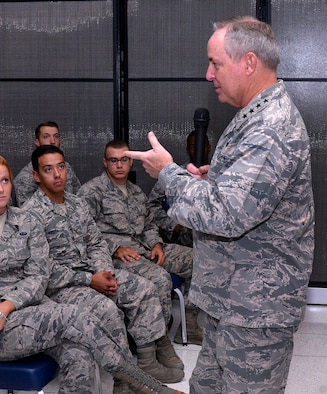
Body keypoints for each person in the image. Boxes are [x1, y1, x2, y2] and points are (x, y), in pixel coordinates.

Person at [125, 16, 314, 394]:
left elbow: (226, 214)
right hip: (230, 301)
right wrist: (216, 179)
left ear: (248, 62)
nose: (208, 74)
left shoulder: (269, 128)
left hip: (254, 311)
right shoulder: (254, 114)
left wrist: (169, 173)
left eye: (215, 63)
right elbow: (241, 197)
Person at [0, 152, 184, 394]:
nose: (0, 189)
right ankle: (143, 384)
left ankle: (135, 383)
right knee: (77, 315)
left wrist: (5, 307)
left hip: (30, 312)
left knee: (79, 354)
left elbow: (38, 276)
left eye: (5, 181)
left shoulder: (26, 222)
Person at [23, 145, 184, 384]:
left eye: (61, 167)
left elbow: (96, 242)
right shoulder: (29, 215)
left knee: (145, 289)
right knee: (107, 309)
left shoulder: (76, 204)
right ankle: (126, 381)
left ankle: (148, 361)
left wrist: (103, 271)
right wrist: (90, 280)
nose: (57, 174)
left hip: (93, 273)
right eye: (48, 169)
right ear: (36, 175)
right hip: (61, 288)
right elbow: (43, 270)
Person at [77, 140, 198, 344]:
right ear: (105, 162)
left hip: (146, 249)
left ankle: (191, 324)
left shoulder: (136, 192)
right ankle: (156, 342)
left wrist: (156, 244)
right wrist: (115, 248)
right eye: (113, 160)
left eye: (124, 160)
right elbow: (83, 232)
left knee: (200, 260)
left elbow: (149, 224)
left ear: (131, 161)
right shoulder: (91, 192)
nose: (119, 165)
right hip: (120, 256)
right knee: (160, 278)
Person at [147, 131, 211, 247]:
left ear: (208, 147)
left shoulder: (220, 176)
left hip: (214, 241)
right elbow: (152, 205)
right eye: (193, 146)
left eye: (201, 146)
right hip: (185, 243)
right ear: (187, 149)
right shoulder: (175, 175)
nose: (198, 150)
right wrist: (174, 225)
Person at [13, 121, 81, 206]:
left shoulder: (67, 168)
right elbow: (27, 212)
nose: (52, 141)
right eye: (46, 137)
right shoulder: (24, 178)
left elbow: (78, 198)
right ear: (37, 142)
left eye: (56, 136)